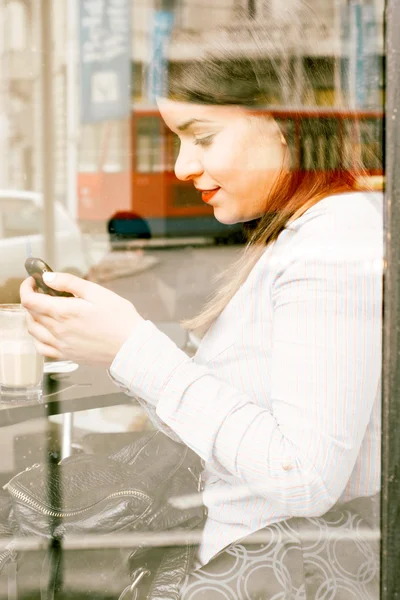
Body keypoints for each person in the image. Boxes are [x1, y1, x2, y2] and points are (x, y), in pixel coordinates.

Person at [20, 6, 383, 599]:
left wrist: (133, 349)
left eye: (202, 137)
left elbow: (305, 477)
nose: (184, 166)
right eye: (176, 140)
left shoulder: (331, 242)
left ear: (282, 123)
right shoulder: (306, 234)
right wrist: (112, 348)